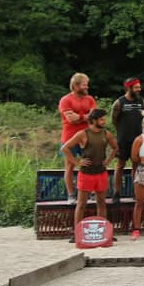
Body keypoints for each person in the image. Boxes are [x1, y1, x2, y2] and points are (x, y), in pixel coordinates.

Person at [60, 109, 118, 238]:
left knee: (101, 202)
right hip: (86, 174)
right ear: (93, 120)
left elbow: (115, 148)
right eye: (102, 119)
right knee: (81, 204)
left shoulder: (106, 134)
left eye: (104, 119)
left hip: (101, 172)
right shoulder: (82, 134)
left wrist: (108, 161)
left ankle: (103, 231)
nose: (104, 121)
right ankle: (77, 234)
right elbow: (65, 148)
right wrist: (77, 162)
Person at [58, 72, 97, 204]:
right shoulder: (66, 100)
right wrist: (85, 117)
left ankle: (92, 192)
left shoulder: (90, 99)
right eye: (84, 85)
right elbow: (70, 119)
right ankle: (71, 195)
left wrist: (79, 117)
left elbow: (94, 118)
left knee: (92, 163)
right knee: (70, 166)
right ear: (75, 86)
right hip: (70, 137)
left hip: (87, 136)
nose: (87, 88)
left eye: (87, 85)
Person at [110, 77, 144, 204]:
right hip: (123, 139)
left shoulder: (141, 101)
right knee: (120, 165)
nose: (139, 89)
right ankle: (116, 192)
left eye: (139, 87)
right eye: (136, 87)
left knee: (136, 165)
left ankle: (136, 192)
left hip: (137, 139)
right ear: (129, 88)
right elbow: (114, 120)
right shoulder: (119, 102)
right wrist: (122, 131)